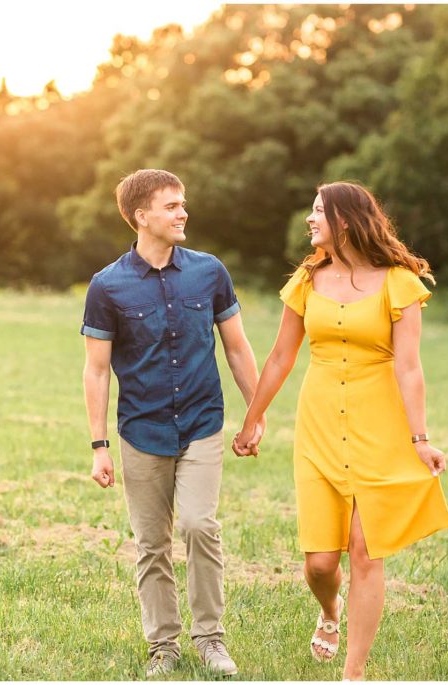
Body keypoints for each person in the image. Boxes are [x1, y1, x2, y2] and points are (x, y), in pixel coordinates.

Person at [232, 181, 448, 681]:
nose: (310, 219)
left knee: (365, 551)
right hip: (320, 425)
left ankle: (354, 673)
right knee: (319, 562)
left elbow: (410, 367)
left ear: (346, 221)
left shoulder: (399, 282)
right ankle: (329, 610)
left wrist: (420, 439)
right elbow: (281, 356)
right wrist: (252, 420)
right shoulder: (307, 280)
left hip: (381, 426)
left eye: (318, 211)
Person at [81, 169, 262, 678]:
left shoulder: (209, 272)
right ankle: (163, 646)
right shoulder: (107, 286)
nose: (183, 213)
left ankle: (211, 639)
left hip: (202, 423)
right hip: (142, 431)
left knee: (199, 525)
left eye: (183, 203)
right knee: (152, 544)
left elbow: (237, 347)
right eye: (171, 205)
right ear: (142, 216)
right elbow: (96, 370)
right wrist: (99, 446)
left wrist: (255, 414)